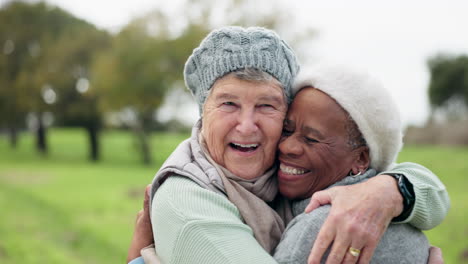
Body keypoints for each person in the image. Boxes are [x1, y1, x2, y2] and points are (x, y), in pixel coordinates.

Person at [127, 26, 449, 264]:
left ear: (286, 112)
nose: (246, 124)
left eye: (267, 105)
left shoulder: (285, 173)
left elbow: (435, 195)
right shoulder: (187, 200)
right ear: (202, 113)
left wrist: (389, 191)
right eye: (228, 103)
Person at [273, 64, 435, 263]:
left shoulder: (320, 228)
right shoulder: (401, 216)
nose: (287, 147)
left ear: (360, 159)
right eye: (287, 131)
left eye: (312, 139)